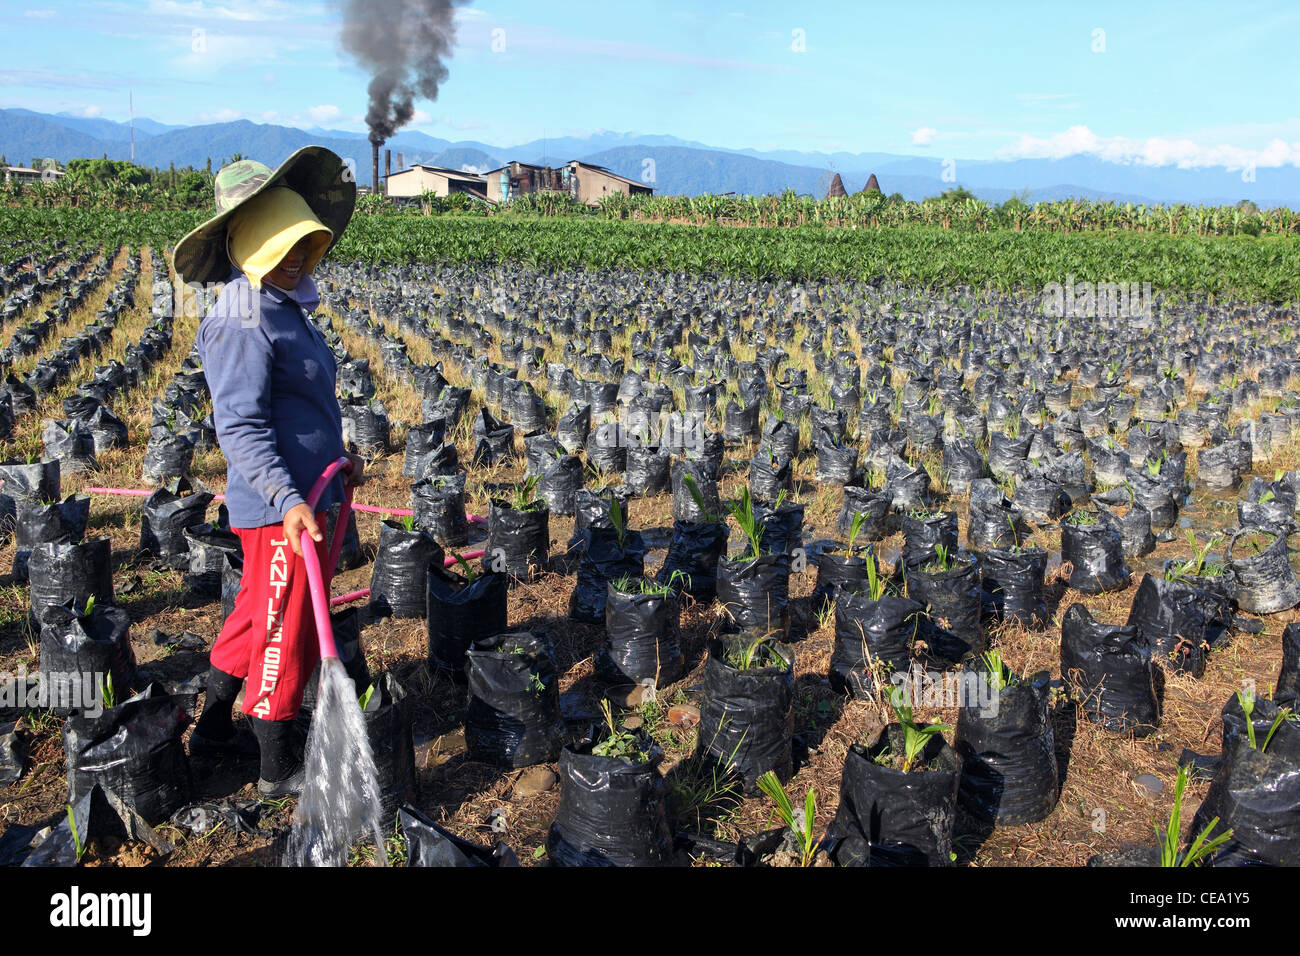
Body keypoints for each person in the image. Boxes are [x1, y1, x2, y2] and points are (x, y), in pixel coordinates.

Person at [172, 147, 361, 796]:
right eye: (284, 245)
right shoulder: (240, 318)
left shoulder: (283, 306)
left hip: (307, 494)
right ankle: (277, 763)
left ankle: (216, 724)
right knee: (286, 624)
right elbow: (242, 428)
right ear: (248, 242)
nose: (297, 258)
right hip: (280, 507)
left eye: (304, 245)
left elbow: (301, 404)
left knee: (258, 613)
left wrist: (338, 463)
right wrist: (287, 498)